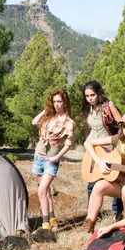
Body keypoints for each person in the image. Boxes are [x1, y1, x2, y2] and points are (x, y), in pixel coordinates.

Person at [31, 88, 75, 231]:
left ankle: (45, 225)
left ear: (65, 102)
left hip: (51, 160)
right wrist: (46, 110)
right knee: (46, 192)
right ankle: (53, 220)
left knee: (42, 191)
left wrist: (56, 157)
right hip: (39, 156)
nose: (56, 104)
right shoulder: (49, 117)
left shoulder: (68, 122)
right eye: (54, 101)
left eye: (59, 101)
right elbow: (34, 122)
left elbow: (68, 144)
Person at [80, 81, 122, 202]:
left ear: (98, 93)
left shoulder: (109, 106)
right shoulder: (89, 109)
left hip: (109, 149)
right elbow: (88, 129)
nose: (89, 99)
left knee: (115, 178)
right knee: (91, 181)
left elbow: (122, 128)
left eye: (92, 95)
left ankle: (117, 211)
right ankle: (92, 213)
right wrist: (88, 144)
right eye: (87, 96)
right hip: (93, 150)